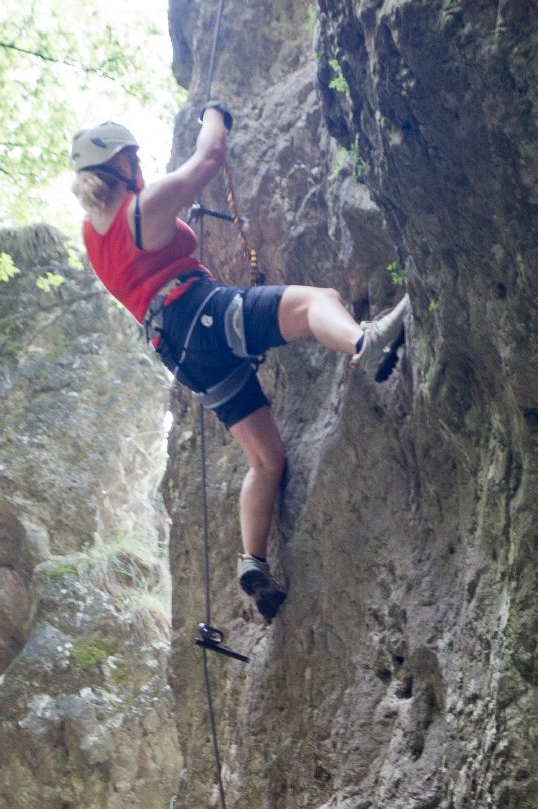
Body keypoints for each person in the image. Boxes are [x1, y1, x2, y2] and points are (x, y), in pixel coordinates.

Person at [70, 106, 410, 619]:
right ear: (121, 165)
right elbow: (209, 157)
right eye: (133, 159)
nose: (139, 166)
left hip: (181, 353)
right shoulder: (141, 209)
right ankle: (366, 343)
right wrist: (214, 114)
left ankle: (254, 560)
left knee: (266, 459)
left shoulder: (93, 235)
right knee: (317, 301)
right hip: (200, 314)